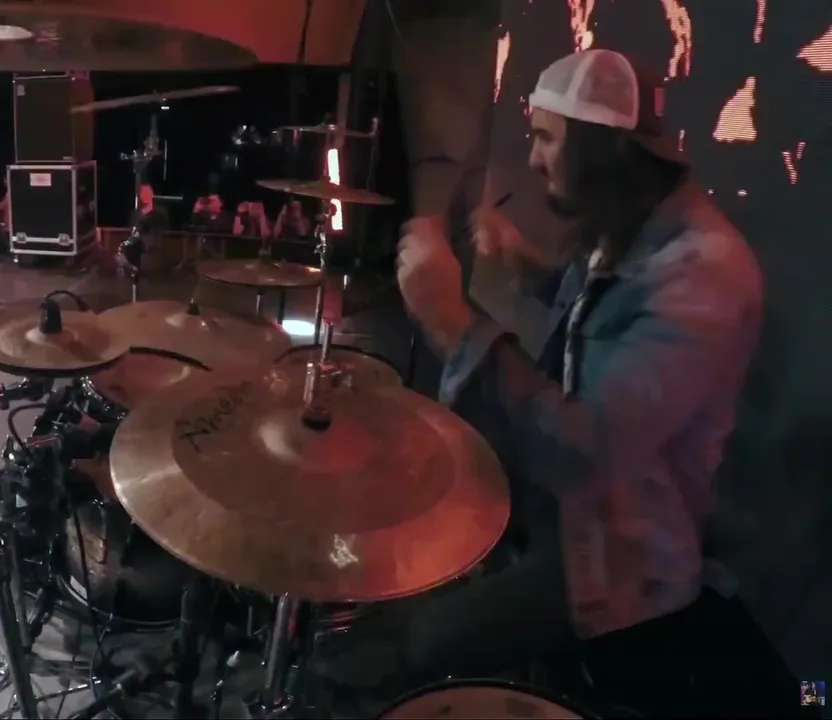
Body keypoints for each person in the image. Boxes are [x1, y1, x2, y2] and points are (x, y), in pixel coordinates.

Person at [319, 49, 800, 718]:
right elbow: (604, 320)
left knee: (414, 645)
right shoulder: (632, 221)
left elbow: (586, 452)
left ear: (600, 148)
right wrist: (529, 267)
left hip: (615, 562)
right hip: (551, 518)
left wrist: (449, 317)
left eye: (547, 139)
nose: (535, 159)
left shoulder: (703, 273)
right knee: (392, 567)